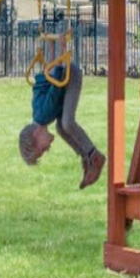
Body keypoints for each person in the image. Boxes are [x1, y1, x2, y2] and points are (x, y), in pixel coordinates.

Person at [18, 56, 107, 191]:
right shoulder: (39, 114)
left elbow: (54, 88)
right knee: (60, 127)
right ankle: (87, 158)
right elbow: (41, 85)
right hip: (63, 80)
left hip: (69, 76)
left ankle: (94, 156)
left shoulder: (44, 114)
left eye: (42, 149)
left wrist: (60, 51)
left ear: (36, 134)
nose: (47, 149)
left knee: (67, 123)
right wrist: (53, 54)